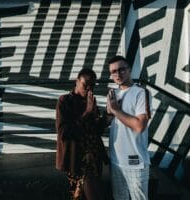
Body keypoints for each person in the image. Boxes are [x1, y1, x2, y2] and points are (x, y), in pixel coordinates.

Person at [55, 68, 109, 200]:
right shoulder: (65, 101)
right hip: (77, 159)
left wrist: (107, 116)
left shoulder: (91, 101)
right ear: (77, 81)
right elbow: (63, 132)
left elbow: (96, 130)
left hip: (94, 157)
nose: (89, 89)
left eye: (92, 86)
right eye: (86, 85)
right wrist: (87, 113)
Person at [106, 55, 152, 200]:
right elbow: (109, 121)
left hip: (135, 162)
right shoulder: (114, 94)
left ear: (129, 70)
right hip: (116, 160)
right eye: (114, 72)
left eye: (121, 70)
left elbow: (139, 126)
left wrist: (116, 111)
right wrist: (109, 112)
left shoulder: (141, 93)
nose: (118, 74)